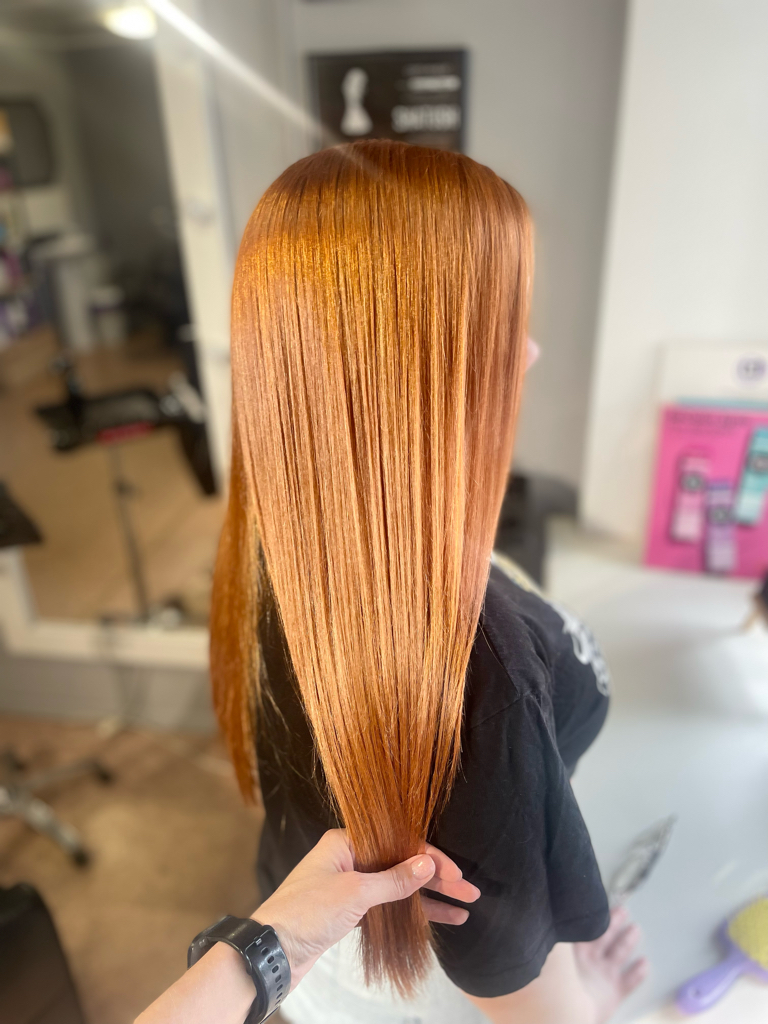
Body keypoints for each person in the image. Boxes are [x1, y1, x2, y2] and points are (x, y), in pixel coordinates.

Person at [210, 140, 649, 1023]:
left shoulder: (285, 528)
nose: (529, 353)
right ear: (413, 370)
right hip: (431, 992)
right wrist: (593, 997)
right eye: (500, 323)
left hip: (319, 958)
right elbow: (536, 1009)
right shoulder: (478, 672)